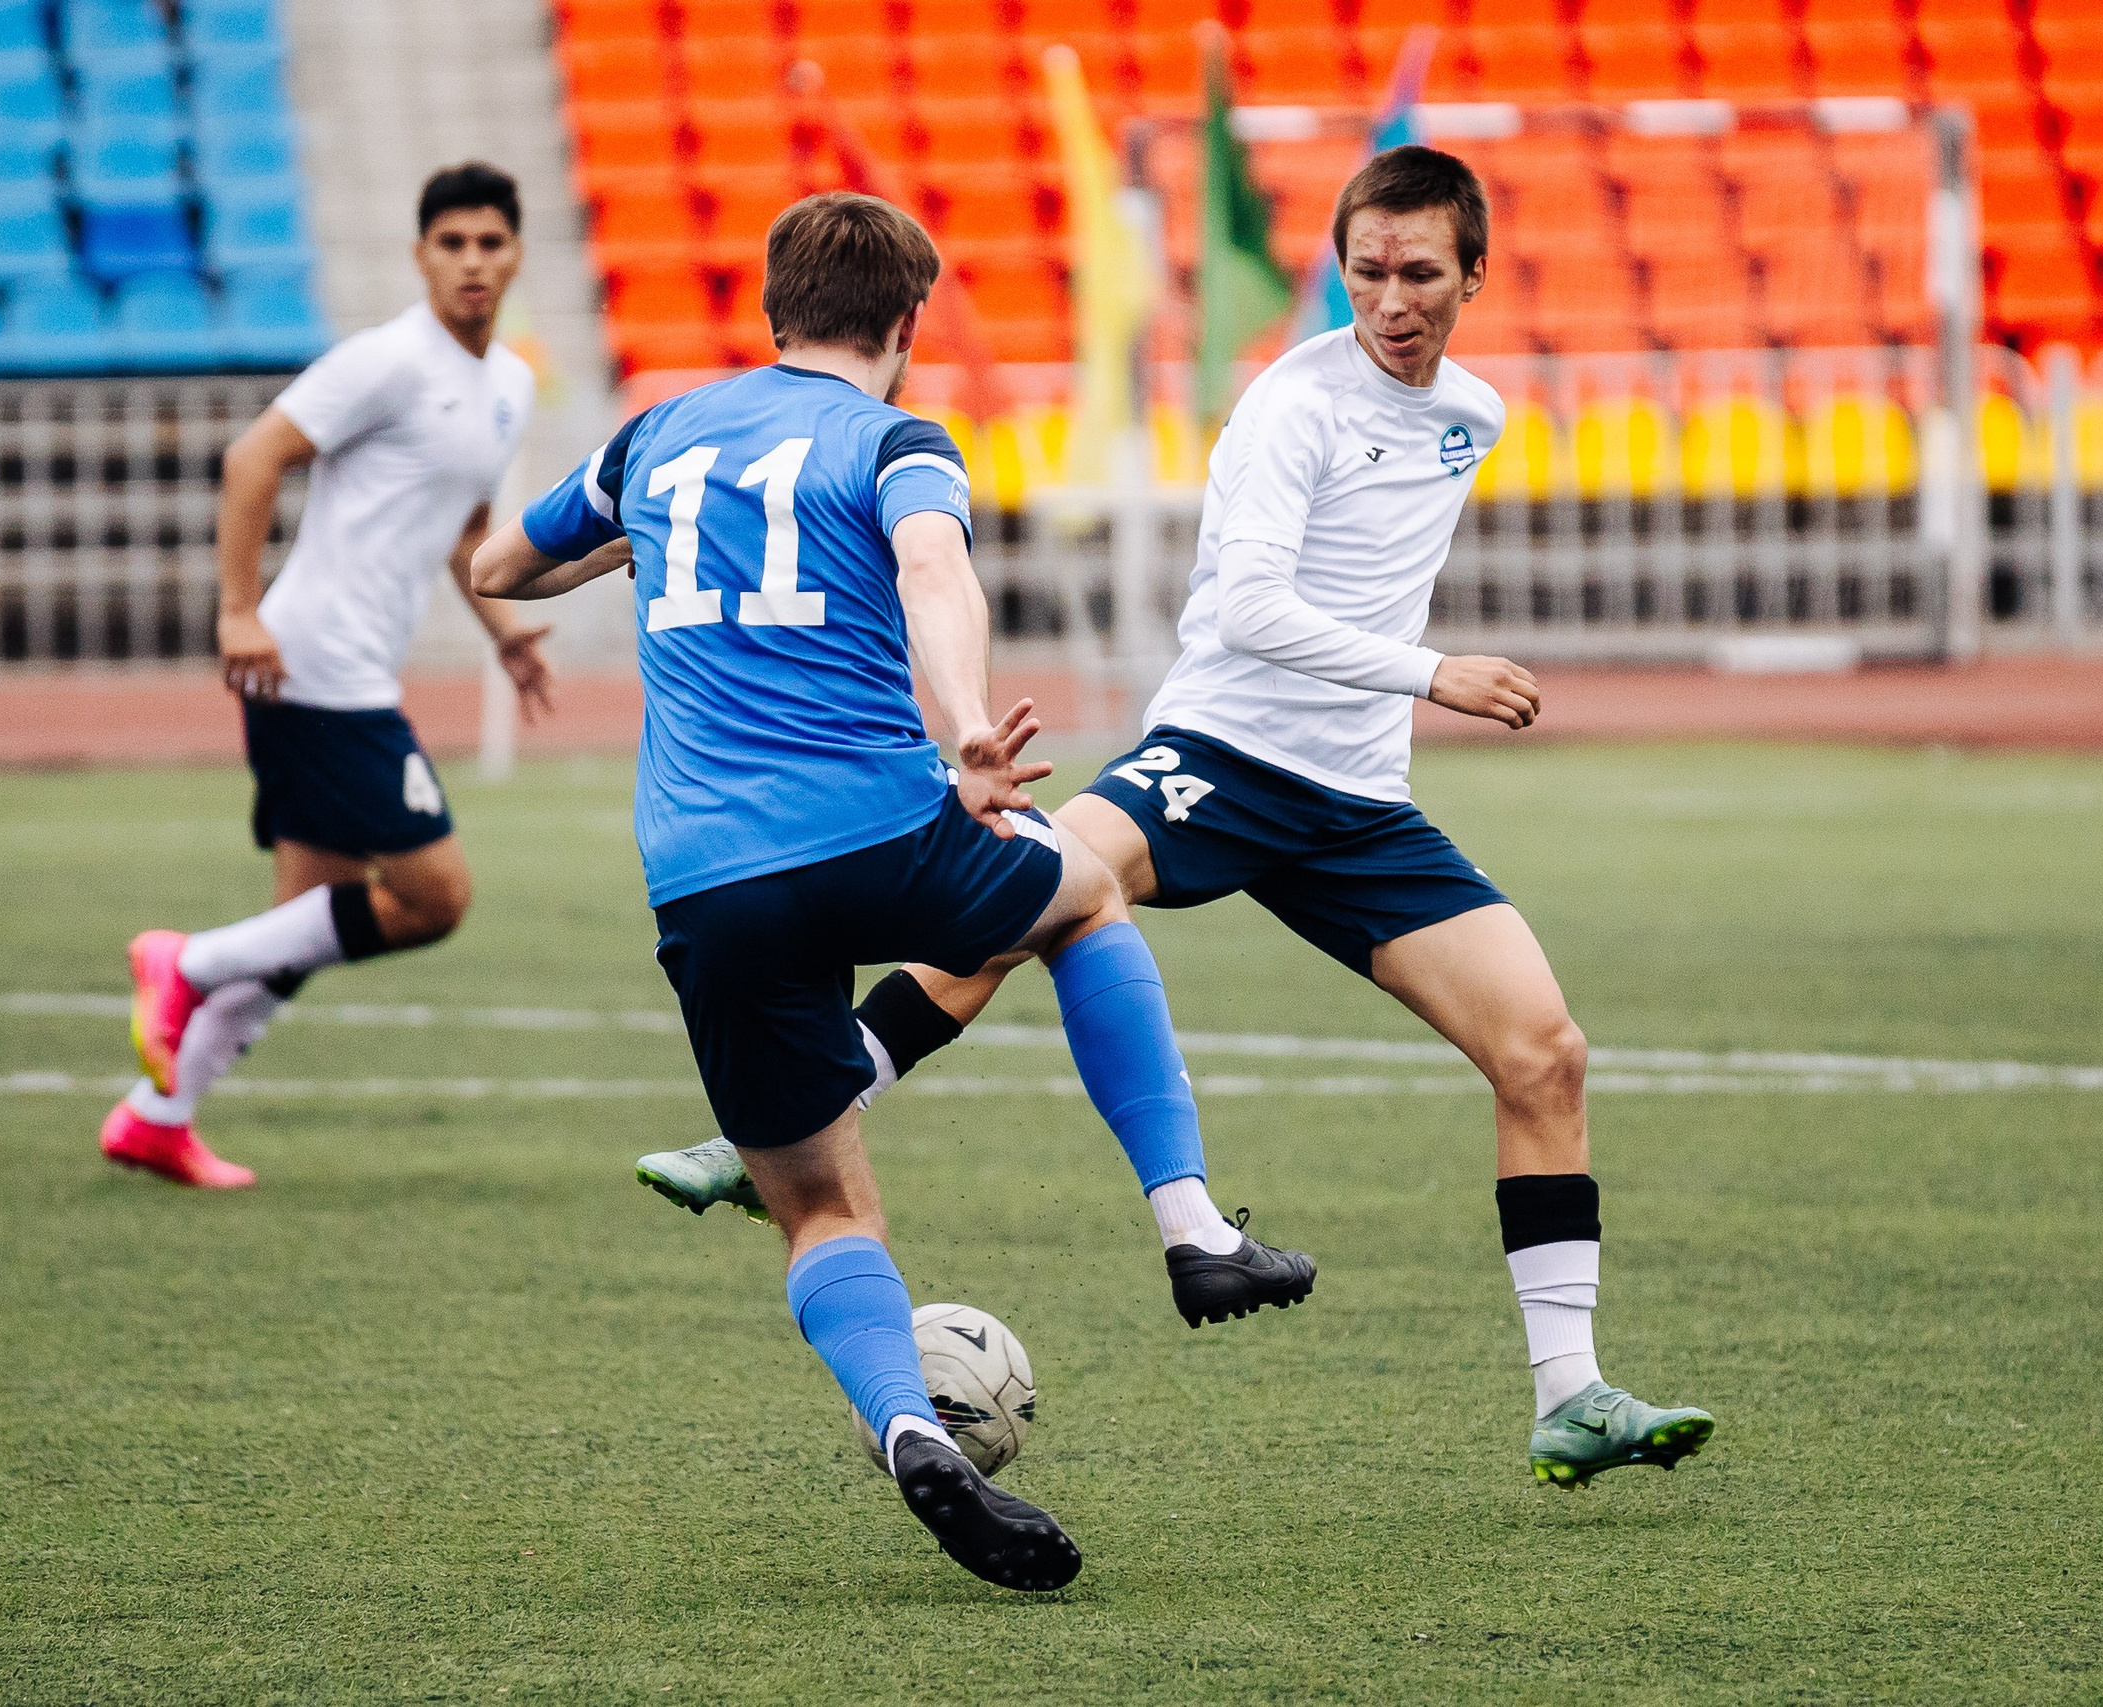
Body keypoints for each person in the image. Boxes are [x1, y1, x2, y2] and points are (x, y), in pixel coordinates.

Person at [635, 148, 1717, 1490]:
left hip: (1359, 806)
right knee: (1024, 895)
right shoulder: (1288, 407)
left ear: (1473, 275)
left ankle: (1572, 1390)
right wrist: (1436, 671)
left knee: (1545, 1051)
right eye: (1367, 270)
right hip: (1222, 752)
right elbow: (1254, 606)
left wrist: (1400, 698)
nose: (1390, 299)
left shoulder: (1473, 412)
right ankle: (770, 1130)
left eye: (1420, 272)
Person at [466, 192, 1313, 1591]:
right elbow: (934, 565)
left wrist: (638, 543)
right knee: (1084, 893)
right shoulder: (898, 440)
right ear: (907, 324)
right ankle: (1192, 1226)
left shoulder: (656, 435)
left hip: (705, 877)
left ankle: (910, 1423)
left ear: (770, 312)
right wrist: (968, 722)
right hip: (877, 830)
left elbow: (502, 567)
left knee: (823, 1212)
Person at [105, 163, 550, 1189]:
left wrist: (506, 637)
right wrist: (237, 608)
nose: (473, 261)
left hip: (350, 666)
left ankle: (157, 1116)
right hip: (313, 662)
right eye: (453, 243)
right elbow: (252, 458)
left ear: (516, 254)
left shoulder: (509, 385)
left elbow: (466, 530)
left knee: (305, 916)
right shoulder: (388, 361)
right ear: (420, 257)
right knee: (435, 894)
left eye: (491, 242)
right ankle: (187, 961)